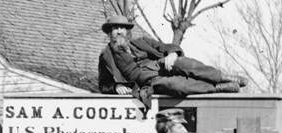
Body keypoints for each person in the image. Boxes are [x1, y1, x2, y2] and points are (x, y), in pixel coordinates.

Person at [98, 15, 248, 103]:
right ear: (109, 33)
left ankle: (223, 77)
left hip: (160, 64)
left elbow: (166, 47)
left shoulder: (142, 42)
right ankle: (218, 88)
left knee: (183, 63)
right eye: (114, 28)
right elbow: (104, 85)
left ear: (127, 31)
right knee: (176, 85)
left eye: (121, 28)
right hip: (148, 80)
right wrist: (116, 87)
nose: (118, 32)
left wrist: (172, 54)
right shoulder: (106, 57)